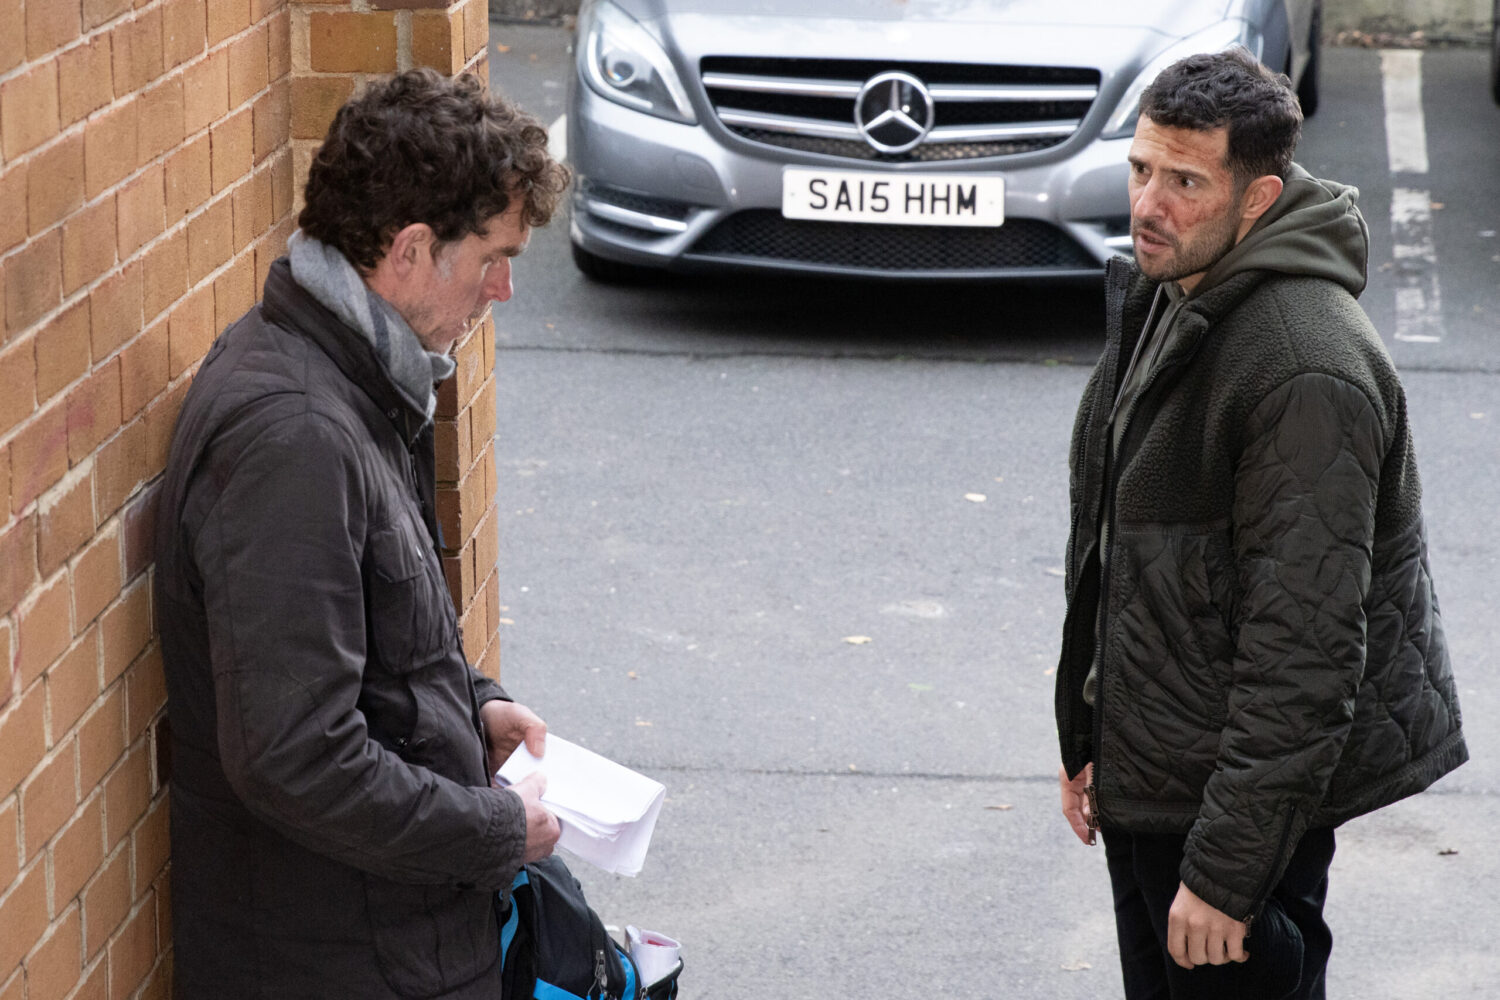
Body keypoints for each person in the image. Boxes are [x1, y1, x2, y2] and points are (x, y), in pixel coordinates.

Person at [1053, 48, 1466, 999]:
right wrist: (1090, 733)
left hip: (1230, 814)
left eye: (1186, 182)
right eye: (1142, 169)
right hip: (1161, 779)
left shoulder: (1302, 367)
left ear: (1259, 198)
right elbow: (1125, 552)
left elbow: (1306, 655)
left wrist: (1226, 875)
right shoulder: (1177, 287)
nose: (1149, 204)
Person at [154, 69, 571, 998]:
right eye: (493, 257)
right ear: (412, 249)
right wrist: (498, 831)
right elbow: (296, 758)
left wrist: (472, 708)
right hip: (339, 962)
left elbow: (362, 638)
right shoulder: (296, 438)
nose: (504, 289)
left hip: (375, 942)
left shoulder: (350, 375)